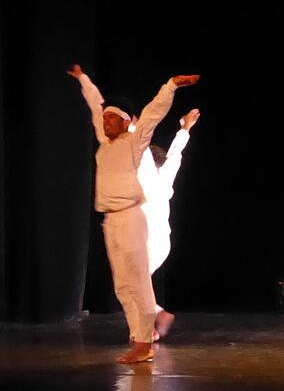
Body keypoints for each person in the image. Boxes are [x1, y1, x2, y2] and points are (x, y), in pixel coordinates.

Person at [68, 64, 199, 363]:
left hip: (136, 222)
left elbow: (152, 117)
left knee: (138, 282)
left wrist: (171, 86)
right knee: (123, 285)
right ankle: (142, 335)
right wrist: (84, 80)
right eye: (105, 119)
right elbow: (94, 104)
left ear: (126, 122)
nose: (106, 121)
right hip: (112, 219)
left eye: (113, 118)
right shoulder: (105, 143)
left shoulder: (134, 146)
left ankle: (143, 340)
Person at [136, 108, 201, 340]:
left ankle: (152, 322)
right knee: (136, 285)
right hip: (161, 241)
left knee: (132, 284)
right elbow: (175, 154)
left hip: (149, 240)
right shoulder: (165, 175)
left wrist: (133, 127)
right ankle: (151, 324)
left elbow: (143, 152)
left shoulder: (146, 176)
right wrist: (185, 128)